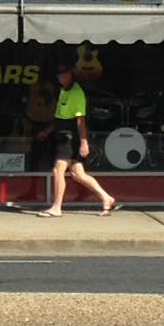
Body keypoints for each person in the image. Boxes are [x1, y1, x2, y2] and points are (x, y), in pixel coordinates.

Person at [37, 61, 117, 218]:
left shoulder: (76, 93)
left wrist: (84, 142)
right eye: (59, 75)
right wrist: (47, 131)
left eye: (64, 74)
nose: (61, 78)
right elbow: (60, 116)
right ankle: (107, 198)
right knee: (78, 174)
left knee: (58, 169)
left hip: (69, 137)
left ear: (71, 75)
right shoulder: (63, 91)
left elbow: (81, 120)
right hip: (62, 135)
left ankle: (56, 207)